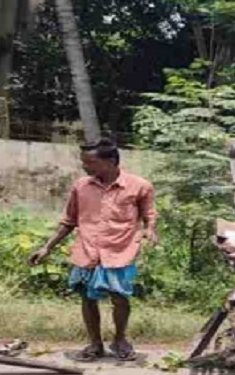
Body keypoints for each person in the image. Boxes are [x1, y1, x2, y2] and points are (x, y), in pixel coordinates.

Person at [28, 139, 158, 361]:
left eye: (90, 162)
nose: (85, 167)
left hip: (120, 251)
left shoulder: (139, 186)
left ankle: (120, 339)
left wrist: (150, 230)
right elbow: (69, 221)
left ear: (110, 161)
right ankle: (95, 343)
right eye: (83, 162)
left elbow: (149, 215)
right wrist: (47, 247)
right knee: (87, 297)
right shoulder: (81, 186)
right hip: (87, 250)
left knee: (120, 296)